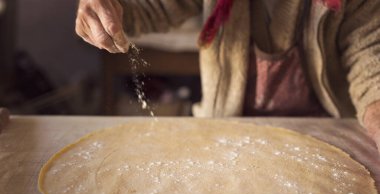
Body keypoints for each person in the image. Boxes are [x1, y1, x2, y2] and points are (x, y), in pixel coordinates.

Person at [75, 0, 380, 152]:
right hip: (225, 132)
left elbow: (369, 57)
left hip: (325, 136)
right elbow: (148, 7)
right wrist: (107, 8)